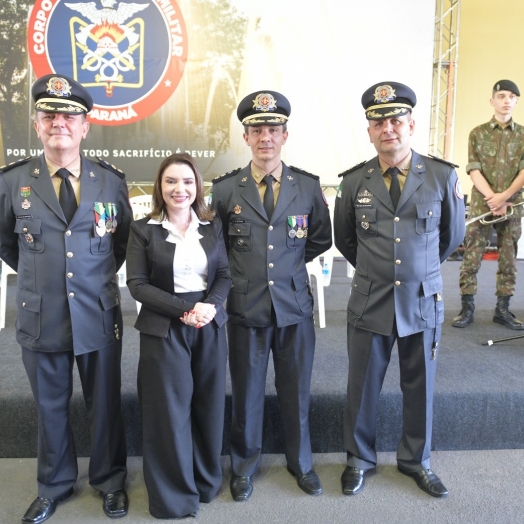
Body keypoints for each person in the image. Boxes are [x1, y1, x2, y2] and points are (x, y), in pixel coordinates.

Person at [0, 74, 132, 523]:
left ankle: (111, 481)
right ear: (37, 125)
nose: (59, 122)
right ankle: (54, 484)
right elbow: (5, 242)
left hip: (96, 311)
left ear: (84, 126)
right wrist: (43, 277)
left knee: (105, 403)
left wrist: (89, 282)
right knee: (50, 407)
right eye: (50, 115)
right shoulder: (13, 181)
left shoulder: (110, 182)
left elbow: (121, 244)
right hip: (42, 315)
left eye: (69, 116)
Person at [334, 82, 465, 498]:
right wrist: (378, 273)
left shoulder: (442, 176)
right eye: (379, 122)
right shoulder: (355, 181)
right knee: (362, 386)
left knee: (420, 386)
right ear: (369, 131)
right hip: (370, 300)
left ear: (410, 124)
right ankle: (359, 460)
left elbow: (451, 237)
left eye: (395, 120)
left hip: (421, 301)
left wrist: (418, 270)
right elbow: (345, 240)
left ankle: (416, 461)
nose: (387, 128)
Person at [211, 90, 332, 501]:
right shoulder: (226, 190)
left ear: (285, 135)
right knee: (245, 392)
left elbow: (319, 239)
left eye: (273, 130)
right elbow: (218, 248)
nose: (266, 137)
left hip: (294, 306)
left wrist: (285, 268)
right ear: (245, 137)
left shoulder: (308, 186)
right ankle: (243, 467)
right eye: (257, 130)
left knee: (296, 390)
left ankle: (302, 464)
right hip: (246, 306)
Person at [125, 154, 231, 519]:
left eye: (187, 181)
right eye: (171, 181)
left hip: (209, 325)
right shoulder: (143, 229)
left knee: (208, 406)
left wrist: (210, 306)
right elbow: (136, 284)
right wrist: (183, 310)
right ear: (160, 186)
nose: (179, 189)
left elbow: (224, 275)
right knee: (168, 413)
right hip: (164, 327)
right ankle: (173, 497)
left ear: (197, 186)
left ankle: (204, 482)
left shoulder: (212, 226)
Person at [453, 80, 524, 330]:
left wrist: (504, 198)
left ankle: (502, 310)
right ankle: (467, 307)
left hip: (513, 205)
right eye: (501, 95)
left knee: (508, 259)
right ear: (492, 101)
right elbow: (474, 170)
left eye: (511, 96)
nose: (506, 100)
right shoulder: (478, 133)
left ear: (516, 101)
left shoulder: (523, 134)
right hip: (483, 205)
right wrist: (493, 199)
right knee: (472, 255)